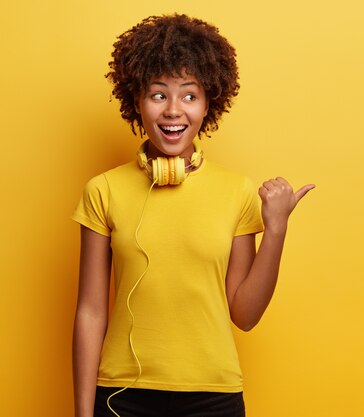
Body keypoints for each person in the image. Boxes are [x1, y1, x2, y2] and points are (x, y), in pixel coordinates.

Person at [72, 14, 314, 417]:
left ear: (208, 105)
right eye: (158, 94)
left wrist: (276, 230)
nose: (173, 111)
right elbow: (90, 311)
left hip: (212, 395)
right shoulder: (103, 190)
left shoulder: (236, 191)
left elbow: (246, 314)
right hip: (122, 395)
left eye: (189, 95)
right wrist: (82, 413)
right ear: (136, 101)